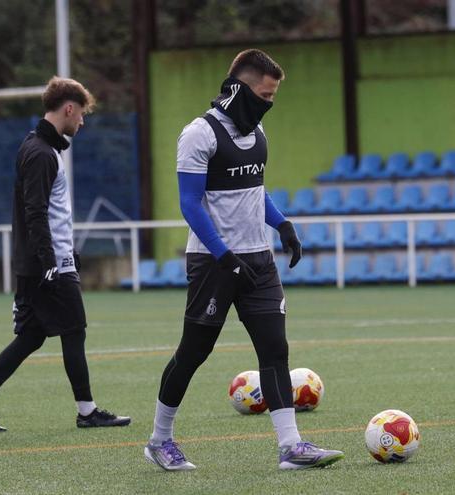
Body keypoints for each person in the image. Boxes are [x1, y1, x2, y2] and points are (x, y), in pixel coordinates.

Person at [144, 49, 344, 471]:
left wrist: (282, 224)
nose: (268, 104)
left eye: (273, 97)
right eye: (264, 95)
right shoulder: (198, 134)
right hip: (213, 264)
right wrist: (224, 255)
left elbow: (255, 189)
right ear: (239, 89)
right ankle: (160, 440)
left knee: (275, 349)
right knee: (193, 352)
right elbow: (190, 203)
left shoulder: (258, 135)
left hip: (259, 261)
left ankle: (291, 447)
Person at [0, 76, 130, 432]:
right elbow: (34, 212)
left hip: (49, 260)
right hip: (46, 266)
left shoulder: (42, 148)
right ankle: (87, 412)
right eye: (81, 114)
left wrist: (69, 252)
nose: (82, 121)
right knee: (75, 330)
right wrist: (51, 263)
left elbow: (49, 213)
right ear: (68, 108)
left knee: (32, 337)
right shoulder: (39, 152)